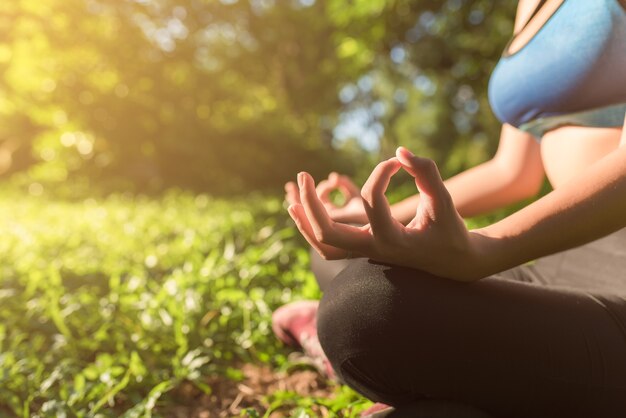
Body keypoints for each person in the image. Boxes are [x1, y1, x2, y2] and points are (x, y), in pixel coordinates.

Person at [273, 0, 626, 416]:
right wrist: (378, 216)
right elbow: (512, 171)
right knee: (351, 260)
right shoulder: (530, 5)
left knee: (361, 309)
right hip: (568, 249)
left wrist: (485, 251)